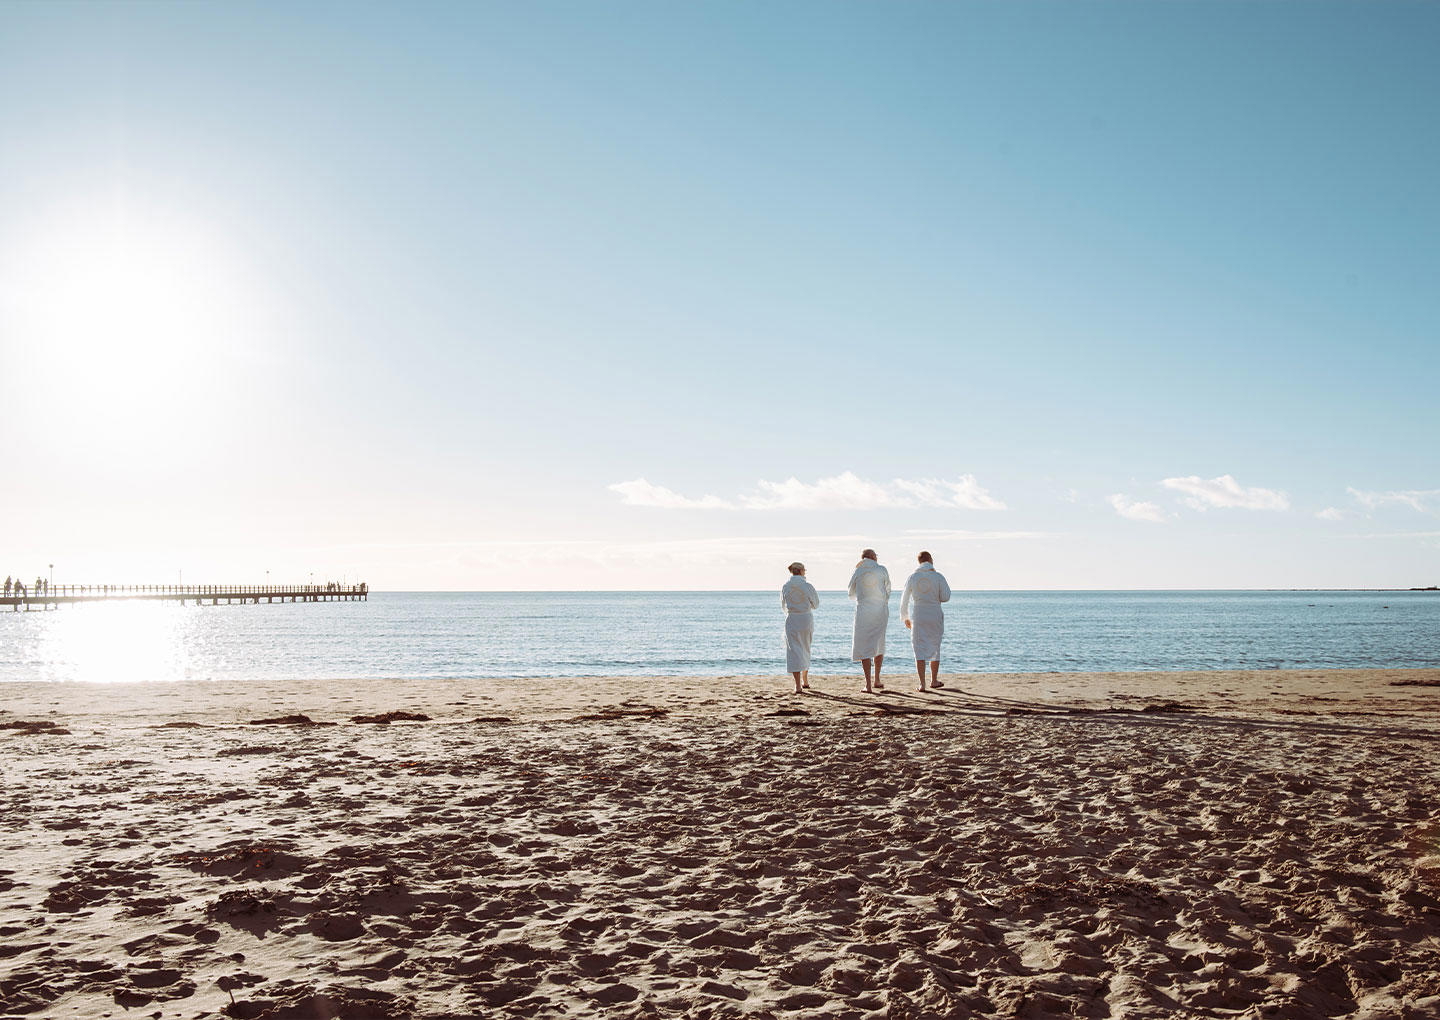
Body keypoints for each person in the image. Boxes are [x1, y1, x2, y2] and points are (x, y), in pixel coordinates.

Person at [900, 551, 951, 691]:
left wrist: (905, 617)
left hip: (918, 614)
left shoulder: (913, 577)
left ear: (919, 562)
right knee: (935, 645)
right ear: (931, 560)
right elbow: (946, 596)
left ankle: (922, 684)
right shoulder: (938, 576)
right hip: (934, 614)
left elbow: (904, 599)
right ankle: (933, 680)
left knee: (918, 647)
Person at [847, 549, 891, 693]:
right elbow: (888, 589)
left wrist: (863, 596)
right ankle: (877, 679)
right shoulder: (882, 569)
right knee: (879, 642)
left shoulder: (858, 571)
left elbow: (851, 593)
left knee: (864, 644)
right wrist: (882, 600)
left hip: (864, 610)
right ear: (873, 557)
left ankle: (868, 684)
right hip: (880, 610)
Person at [781, 562, 820, 693]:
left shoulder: (786, 586)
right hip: (805, 618)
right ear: (802, 571)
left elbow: (783, 605)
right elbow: (816, 604)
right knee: (805, 647)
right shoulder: (807, 586)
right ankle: (805, 680)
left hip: (792, 618)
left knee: (793, 650)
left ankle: (797, 685)